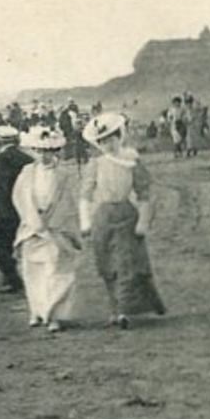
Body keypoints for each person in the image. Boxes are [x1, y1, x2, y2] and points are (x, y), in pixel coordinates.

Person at [79, 112, 165, 329]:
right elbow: (85, 194)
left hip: (126, 214)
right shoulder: (95, 164)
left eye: (111, 138)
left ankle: (125, 311)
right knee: (107, 265)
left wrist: (143, 221)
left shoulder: (131, 161)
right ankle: (115, 308)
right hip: (103, 217)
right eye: (102, 141)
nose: (108, 144)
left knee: (127, 264)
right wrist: (85, 221)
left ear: (120, 136)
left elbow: (144, 192)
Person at [12, 127, 80, 333]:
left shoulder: (65, 174)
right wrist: (33, 219)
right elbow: (19, 198)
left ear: (56, 151)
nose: (43, 155)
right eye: (39, 151)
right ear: (33, 151)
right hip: (32, 226)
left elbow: (71, 200)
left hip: (56, 227)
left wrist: (54, 221)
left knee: (56, 271)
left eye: (48, 151)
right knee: (33, 271)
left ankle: (55, 315)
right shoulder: (26, 173)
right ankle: (37, 311)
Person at [0, 126, 33, 293]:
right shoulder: (26, 159)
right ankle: (11, 278)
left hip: (2, 211)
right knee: (14, 245)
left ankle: (13, 279)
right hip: (22, 209)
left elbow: (1, 189)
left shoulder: (3, 159)